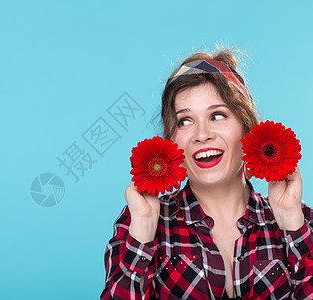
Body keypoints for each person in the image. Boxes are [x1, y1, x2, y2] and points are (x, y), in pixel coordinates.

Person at [100, 49, 313, 299]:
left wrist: (292, 223)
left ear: (247, 129)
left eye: (218, 115)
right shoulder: (138, 220)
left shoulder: (302, 219)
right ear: (172, 140)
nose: (202, 134)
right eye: (185, 121)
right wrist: (143, 232)